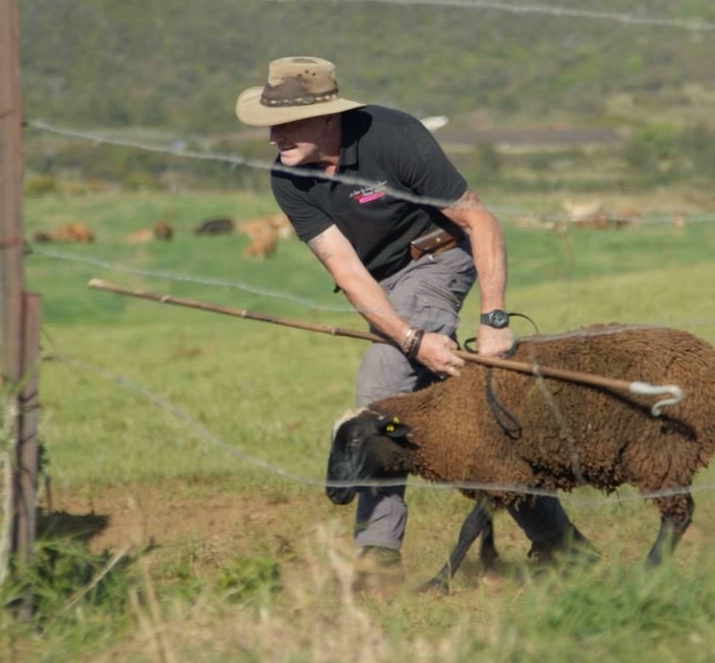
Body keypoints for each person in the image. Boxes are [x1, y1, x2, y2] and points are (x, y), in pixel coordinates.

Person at [235, 55, 587, 583]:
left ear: (326, 116)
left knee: (381, 388)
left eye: (284, 124)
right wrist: (408, 336)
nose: (272, 137)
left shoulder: (393, 136)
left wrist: (493, 319)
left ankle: (377, 555)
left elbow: (479, 219)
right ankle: (559, 542)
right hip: (381, 287)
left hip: (438, 257)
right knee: (469, 418)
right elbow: (346, 269)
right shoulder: (288, 177)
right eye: (269, 124)